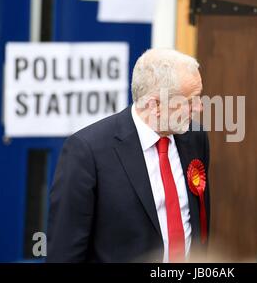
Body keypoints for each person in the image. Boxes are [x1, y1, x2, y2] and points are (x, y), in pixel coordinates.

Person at [47, 49, 210, 262]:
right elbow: (65, 252)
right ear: (155, 105)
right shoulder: (87, 151)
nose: (198, 108)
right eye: (190, 101)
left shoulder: (195, 138)